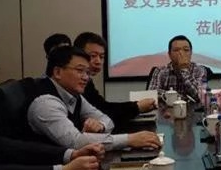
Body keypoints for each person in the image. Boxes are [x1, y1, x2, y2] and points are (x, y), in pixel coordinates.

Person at [29, 46, 161, 150]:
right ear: (57, 72)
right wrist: (130, 140)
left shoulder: (74, 96)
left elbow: (106, 119)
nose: (86, 78)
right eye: (80, 71)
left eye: (87, 72)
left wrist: (100, 126)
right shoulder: (45, 103)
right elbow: (76, 142)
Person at [74, 31, 157, 125]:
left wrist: (137, 106)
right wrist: (137, 107)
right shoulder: (74, 84)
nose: (98, 61)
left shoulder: (88, 82)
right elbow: (103, 112)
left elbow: (104, 107)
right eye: (93, 56)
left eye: (101, 57)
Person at [147, 35, 209, 100]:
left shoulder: (200, 70)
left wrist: (184, 69)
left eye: (186, 50)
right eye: (176, 50)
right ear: (169, 54)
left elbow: (200, 96)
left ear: (191, 53)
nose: (181, 53)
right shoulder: (160, 70)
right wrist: (178, 97)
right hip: (168, 106)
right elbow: (152, 94)